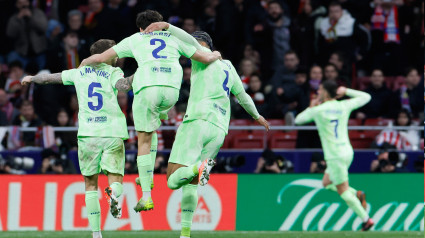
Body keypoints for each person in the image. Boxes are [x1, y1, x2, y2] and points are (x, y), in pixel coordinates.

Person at [79, 10, 221, 213]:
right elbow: (203, 56)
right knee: (156, 120)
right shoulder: (173, 37)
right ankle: (146, 173)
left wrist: (86, 62)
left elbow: (102, 57)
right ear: (160, 23)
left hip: (148, 89)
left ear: (140, 27)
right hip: (172, 92)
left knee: (144, 139)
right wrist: (214, 54)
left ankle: (146, 195)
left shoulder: (135, 38)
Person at [143, 22, 269, 238]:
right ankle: (185, 234)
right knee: (191, 184)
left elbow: (185, 38)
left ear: (202, 44)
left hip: (198, 122)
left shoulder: (201, 53)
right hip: (220, 129)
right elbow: (243, 96)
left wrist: (166, 27)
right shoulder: (228, 66)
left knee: (173, 180)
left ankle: (198, 168)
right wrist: (257, 116)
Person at [21, 39, 134, 238]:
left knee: (90, 184)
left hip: (87, 135)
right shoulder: (113, 72)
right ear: (107, 55)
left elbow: (49, 79)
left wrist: (31, 78)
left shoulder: (79, 72)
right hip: (112, 132)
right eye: (115, 53)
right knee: (115, 178)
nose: (118, 56)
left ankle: (96, 234)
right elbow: (124, 86)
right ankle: (114, 193)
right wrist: (143, 73)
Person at [295, 80, 374, 231]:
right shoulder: (343, 105)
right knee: (326, 183)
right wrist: (347, 91)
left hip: (334, 156)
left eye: (320, 89)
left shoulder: (318, 110)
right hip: (346, 152)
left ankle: (366, 219)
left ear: (325, 92)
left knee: (342, 190)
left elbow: (298, 120)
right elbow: (366, 97)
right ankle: (356, 193)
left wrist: (312, 106)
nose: (318, 92)